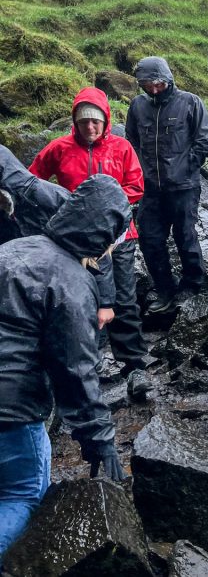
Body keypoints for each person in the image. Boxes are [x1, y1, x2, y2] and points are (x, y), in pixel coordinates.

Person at [0, 175, 130, 560]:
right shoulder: (71, 282)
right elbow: (75, 371)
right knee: (21, 494)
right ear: (103, 238)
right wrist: (100, 444)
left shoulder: (11, 249)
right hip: (12, 411)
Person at [29, 87, 152, 381]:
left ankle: (134, 364)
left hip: (118, 237)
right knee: (75, 299)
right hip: (72, 241)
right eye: (84, 121)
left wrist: (104, 209)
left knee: (123, 297)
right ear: (75, 121)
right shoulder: (58, 148)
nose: (90, 127)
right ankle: (84, 364)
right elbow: (33, 181)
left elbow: (136, 187)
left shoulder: (122, 148)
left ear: (106, 120)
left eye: (96, 121)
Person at [126, 57, 208, 314]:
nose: (153, 89)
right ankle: (164, 287)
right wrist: (139, 172)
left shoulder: (190, 102)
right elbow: (131, 140)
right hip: (150, 188)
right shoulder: (137, 106)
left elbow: (204, 141)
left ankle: (192, 285)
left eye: (157, 83)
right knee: (150, 239)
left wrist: (186, 167)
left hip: (184, 185)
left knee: (185, 236)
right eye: (146, 84)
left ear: (167, 79)